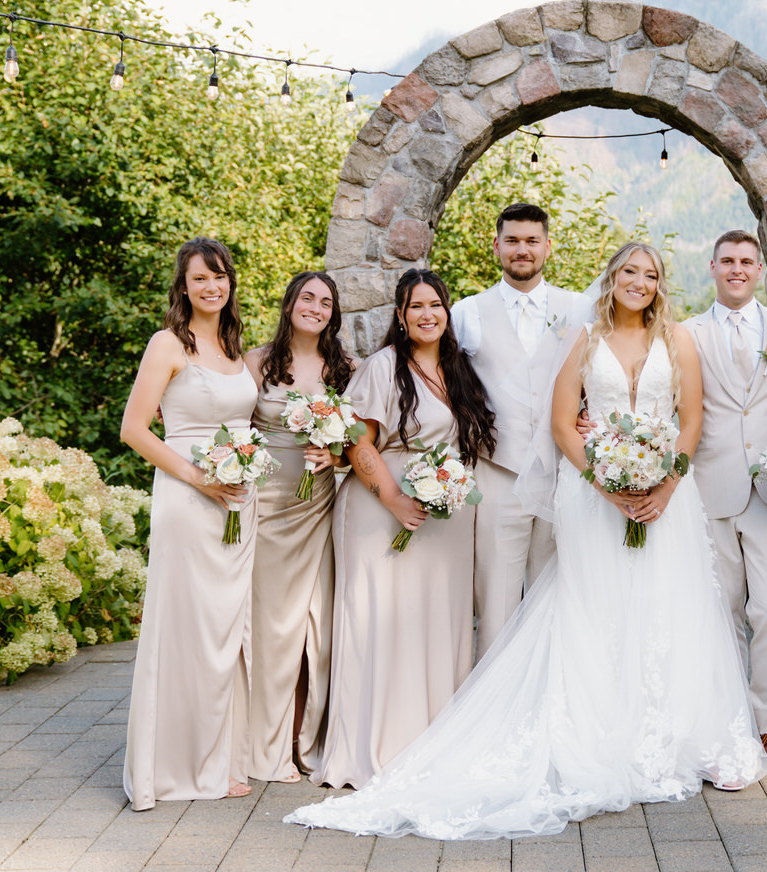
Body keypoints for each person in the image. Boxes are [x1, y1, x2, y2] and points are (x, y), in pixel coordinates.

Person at [284, 242, 767, 839]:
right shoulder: (584, 339)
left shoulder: (679, 340)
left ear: (661, 284)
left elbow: (691, 419)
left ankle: (673, 731)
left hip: (669, 494)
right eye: (628, 273)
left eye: (650, 275)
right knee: (598, 608)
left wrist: (667, 482)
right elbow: (563, 422)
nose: (638, 283)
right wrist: (604, 481)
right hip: (597, 492)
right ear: (611, 278)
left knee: (672, 604)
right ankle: (599, 730)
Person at [310, 268, 496, 789]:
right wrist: (394, 499)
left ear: (448, 312)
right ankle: (377, 745)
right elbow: (356, 442)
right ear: (400, 315)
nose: (427, 314)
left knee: (434, 625)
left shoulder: (460, 372)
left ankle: (432, 741)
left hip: (444, 520)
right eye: (416, 306)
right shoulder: (383, 366)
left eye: (436, 305)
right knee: (381, 625)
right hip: (381, 510)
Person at [120, 238, 257, 809]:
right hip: (188, 497)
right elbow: (134, 430)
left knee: (225, 635)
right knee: (186, 631)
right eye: (200, 278)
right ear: (183, 286)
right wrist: (201, 479)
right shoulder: (167, 343)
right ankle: (172, 767)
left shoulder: (232, 346)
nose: (211, 287)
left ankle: (214, 758)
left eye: (220, 277)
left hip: (239, 501)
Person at [681, 230, 767, 766]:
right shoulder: (686, 333)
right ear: (711, 266)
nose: (737, 269)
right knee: (721, 608)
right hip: (709, 485)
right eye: (727, 260)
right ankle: (729, 722)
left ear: (759, 271)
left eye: (747, 261)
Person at [451, 203, 579, 660]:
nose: (522, 250)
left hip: (562, 476)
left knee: (556, 602)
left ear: (547, 246)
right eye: (513, 241)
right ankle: (491, 714)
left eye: (531, 241)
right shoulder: (465, 314)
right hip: (496, 475)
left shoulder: (578, 308)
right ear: (497, 246)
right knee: (496, 605)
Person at [244, 271, 356, 784]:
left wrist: (335, 455)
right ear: (290, 303)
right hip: (267, 509)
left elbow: (362, 443)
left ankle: (307, 743)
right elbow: (228, 425)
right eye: (307, 297)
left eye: (326, 301)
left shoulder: (346, 369)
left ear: (334, 312)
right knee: (272, 630)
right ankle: (262, 747)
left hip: (320, 510)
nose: (316, 306)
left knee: (320, 631)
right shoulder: (256, 362)